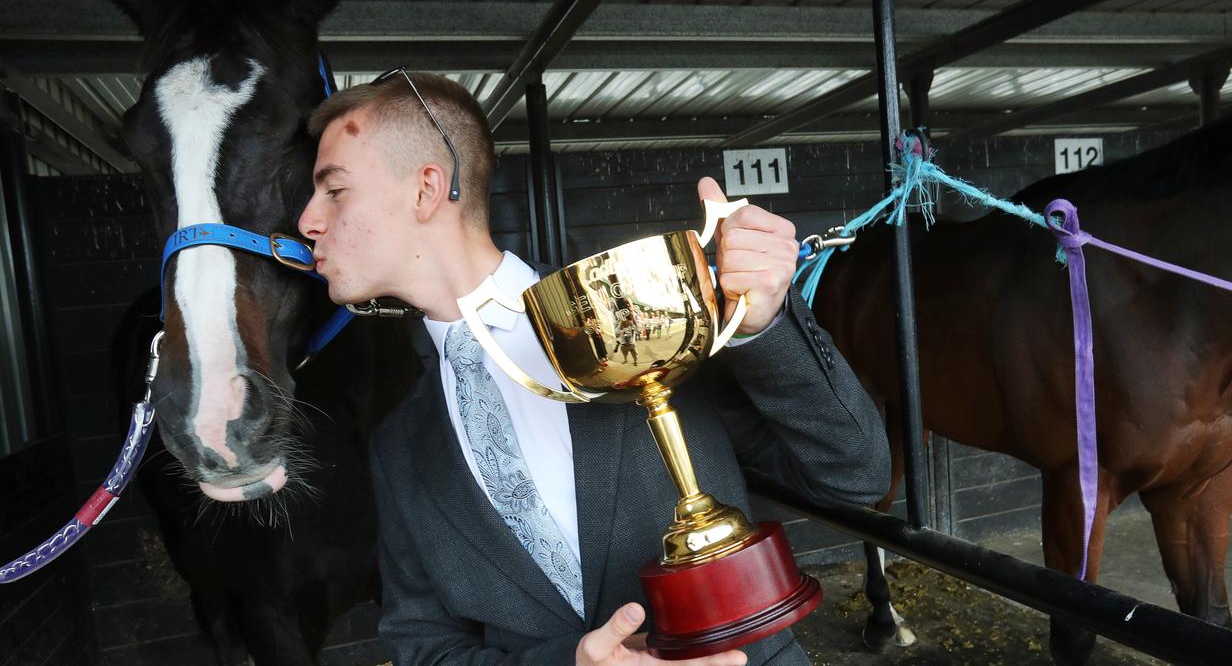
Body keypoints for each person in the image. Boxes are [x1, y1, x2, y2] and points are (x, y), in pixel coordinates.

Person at [297, 71, 891, 666]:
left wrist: (764, 325)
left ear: (427, 188)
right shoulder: (398, 445)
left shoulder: (646, 319)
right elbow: (423, 646)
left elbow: (856, 477)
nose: (307, 222)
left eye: (334, 190)